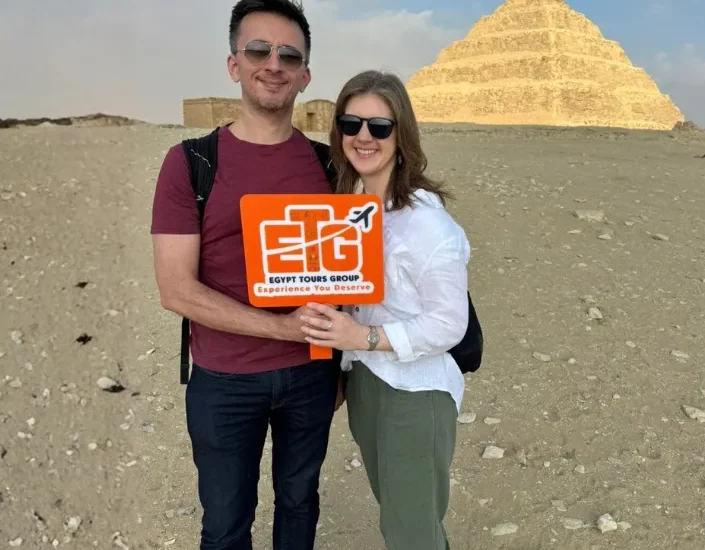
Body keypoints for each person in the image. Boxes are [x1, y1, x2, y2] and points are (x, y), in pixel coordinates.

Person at [149, 1, 342, 548]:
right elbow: (176, 289)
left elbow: (345, 269)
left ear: (305, 75)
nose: (273, 64)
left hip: (312, 377)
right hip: (225, 381)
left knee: (300, 506)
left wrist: (340, 364)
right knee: (227, 523)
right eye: (258, 50)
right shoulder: (191, 163)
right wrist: (283, 329)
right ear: (234, 64)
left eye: (289, 55)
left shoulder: (332, 166)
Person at [297, 69, 471, 550]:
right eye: (351, 124)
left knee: (411, 534)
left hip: (413, 393)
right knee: (401, 519)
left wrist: (362, 338)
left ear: (402, 134)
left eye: (380, 126)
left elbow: (449, 323)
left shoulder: (427, 224)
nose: (363, 137)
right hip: (368, 384)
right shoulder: (355, 211)